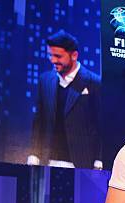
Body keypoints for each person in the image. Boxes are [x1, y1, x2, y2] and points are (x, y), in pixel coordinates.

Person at [29, 30, 101, 168]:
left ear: (74, 55)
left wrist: (99, 159)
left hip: (82, 161)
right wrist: (34, 154)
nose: (53, 60)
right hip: (48, 160)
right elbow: (39, 121)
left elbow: (100, 125)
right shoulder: (45, 80)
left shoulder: (94, 82)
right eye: (50, 55)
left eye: (58, 56)